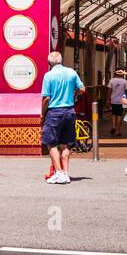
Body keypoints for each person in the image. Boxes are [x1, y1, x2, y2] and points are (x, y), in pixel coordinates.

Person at [40, 50, 84, 185]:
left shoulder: (48, 76)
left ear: (49, 63)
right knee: (65, 144)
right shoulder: (71, 72)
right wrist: (73, 94)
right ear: (61, 60)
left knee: (50, 142)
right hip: (70, 111)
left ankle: (58, 172)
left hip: (55, 112)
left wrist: (42, 113)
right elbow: (82, 89)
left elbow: (46, 98)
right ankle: (65, 173)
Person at [107, 68, 127, 137]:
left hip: (113, 100)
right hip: (122, 101)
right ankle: (118, 131)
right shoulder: (125, 81)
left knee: (113, 114)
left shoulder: (112, 81)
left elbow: (109, 91)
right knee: (119, 115)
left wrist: (108, 100)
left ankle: (114, 126)